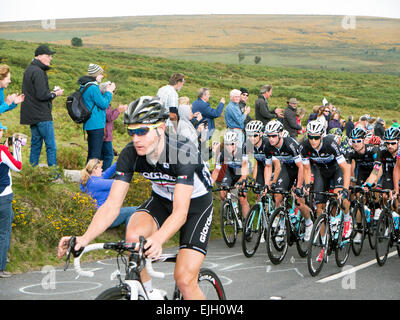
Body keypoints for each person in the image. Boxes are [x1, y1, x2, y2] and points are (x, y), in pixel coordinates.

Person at [58, 97, 214, 300]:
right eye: (132, 132)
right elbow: (112, 205)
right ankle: (148, 294)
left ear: (161, 128)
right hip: (161, 199)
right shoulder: (131, 154)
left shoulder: (183, 152)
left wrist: (158, 239)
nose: (136, 138)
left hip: (195, 206)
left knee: (184, 280)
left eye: (142, 131)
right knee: (133, 237)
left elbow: (181, 212)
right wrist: (84, 238)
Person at [300, 121, 352, 261]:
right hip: (320, 172)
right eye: (310, 137)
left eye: (316, 137)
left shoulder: (330, 144)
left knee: (339, 195)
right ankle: (324, 245)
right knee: (319, 209)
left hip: (337, 170)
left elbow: (346, 168)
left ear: (322, 136)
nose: (313, 140)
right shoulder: (305, 146)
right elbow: (306, 169)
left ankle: (347, 220)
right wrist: (306, 185)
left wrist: (345, 189)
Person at [263, 120, 313, 241]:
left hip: (299, 169)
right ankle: (282, 225)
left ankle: (308, 223)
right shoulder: (268, 146)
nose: (271, 139)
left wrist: (299, 187)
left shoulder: (290, 144)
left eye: (274, 135)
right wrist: (266, 184)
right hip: (287, 169)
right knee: (278, 196)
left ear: (280, 134)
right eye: (268, 136)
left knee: (299, 201)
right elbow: (268, 166)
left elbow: (301, 167)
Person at [20, 45, 64, 169]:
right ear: (39, 56)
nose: (50, 58)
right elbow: (42, 95)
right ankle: (53, 174)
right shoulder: (39, 72)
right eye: (48, 55)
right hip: (42, 115)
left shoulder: (29, 69)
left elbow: (34, 93)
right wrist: (55, 93)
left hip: (32, 115)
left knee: (36, 144)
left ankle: (31, 172)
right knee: (51, 146)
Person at [80, 159, 137, 229]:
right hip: (106, 217)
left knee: (131, 216)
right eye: (100, 168)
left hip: (101, 216)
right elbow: (120, 182)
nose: (102, 169)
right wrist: (124, 174)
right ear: (95, 169)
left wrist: (123, 158)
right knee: (137, 209)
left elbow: (109, 171)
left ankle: (126, 238)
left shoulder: (90, 180)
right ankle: (128, 239)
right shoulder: (97, 183)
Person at [346, 128, 379, 243]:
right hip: (362, 172)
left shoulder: (373, 149)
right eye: (353, 141)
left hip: (375, 170)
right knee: (359, 198)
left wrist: (371, 182)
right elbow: (348, 168)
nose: (355, 144)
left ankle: (378, 208)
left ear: (364, 140)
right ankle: (359, 230)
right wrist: (348, 184)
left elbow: (377, 169)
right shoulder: (350, 152)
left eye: (358, 141)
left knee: (375, 188)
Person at [79, 64, 115, 164]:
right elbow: (103, 104)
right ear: (96, 75)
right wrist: (109, 92)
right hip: (96, 124)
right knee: (95, 155)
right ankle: (90, 177)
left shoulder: (85, 86)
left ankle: (88, 176)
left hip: (90, 123)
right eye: (101, 74)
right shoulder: (93, 88)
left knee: (92, 153)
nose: (102, 76)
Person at [210, 131, 250, 220]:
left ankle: (247, 223)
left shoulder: (242, 151)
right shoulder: (223, 153)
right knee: (223, 193)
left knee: (243, 197)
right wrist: (210, 183)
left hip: (242, 173)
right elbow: (216, 170)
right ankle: (230, 215)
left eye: (231, 144)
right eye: (227, 144)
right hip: (230, 173)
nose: (229, 147)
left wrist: (241, 181)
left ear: (236, 142)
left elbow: (245, 170)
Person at [0, 123, 22, 278]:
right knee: (4, 232)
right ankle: (1, 266)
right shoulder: (1, 151)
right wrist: (17, 148)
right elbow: (18, 166)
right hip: (3, 195)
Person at [98, 81, 128, 171]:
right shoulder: (104, 101)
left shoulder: (101, 100)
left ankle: (99, 173)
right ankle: (105, 175)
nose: (113, 93)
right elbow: (109, 117)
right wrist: (118, 110)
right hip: (105, 135)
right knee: (109, 156)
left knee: (101, 156)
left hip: (102, 134)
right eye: (112, 91)